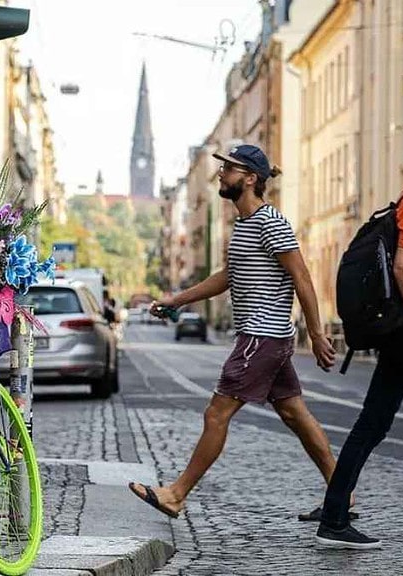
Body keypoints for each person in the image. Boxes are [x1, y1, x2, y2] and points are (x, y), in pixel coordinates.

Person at [128, 144, 338, 519]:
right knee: (295, 414)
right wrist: (178, 299)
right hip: (267, 337)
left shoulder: (270, 222)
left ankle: (175, 494)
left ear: (250, 178)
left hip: (262, 336)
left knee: (216, 414)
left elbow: (302, 276)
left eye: (229, 169)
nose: (221, 174)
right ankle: (342, 497)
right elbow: (227, 277)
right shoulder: (245, 225)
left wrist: (318, 333)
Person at [315, 158, 403, 549]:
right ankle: (333, 518)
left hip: (401, 335)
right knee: (370, 424)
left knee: (372, 424)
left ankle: (334, 518)